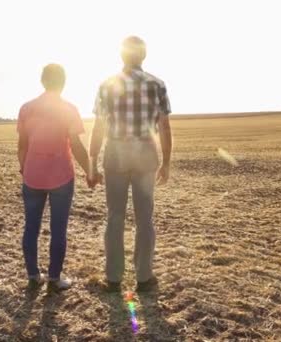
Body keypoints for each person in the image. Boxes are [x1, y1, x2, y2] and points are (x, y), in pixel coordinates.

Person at [89, 36, 173, 292]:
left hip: (115, 153)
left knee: (114, 216)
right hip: (146, 153)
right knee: (144, 218)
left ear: (122, 56)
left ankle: (114, 279)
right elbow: (164, 127)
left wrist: (92, 161)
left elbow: (99, 127)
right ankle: (144, 277)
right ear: (143, 56)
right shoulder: (157, 84)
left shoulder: (107, 85)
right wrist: (166, 161)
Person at [17, 63, 93, 291]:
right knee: (59, 228)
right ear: (63, 82)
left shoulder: (26, 108)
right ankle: (54, 278)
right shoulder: (68, 108)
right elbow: (76, 144)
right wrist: (89, 170)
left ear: (42, 81)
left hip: (32, 175)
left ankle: (32, 274)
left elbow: (22, 145)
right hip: (61, 175)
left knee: (31, 226)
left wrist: (24, 168)